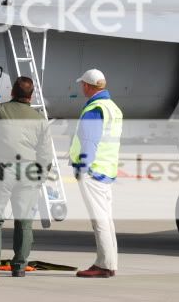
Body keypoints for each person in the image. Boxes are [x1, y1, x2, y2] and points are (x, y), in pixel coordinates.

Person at [0, 76, 53, 277]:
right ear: (31, 96)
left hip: (3, 169)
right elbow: (46, 154)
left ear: (12, 92)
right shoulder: (40, 119)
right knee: (24, 221)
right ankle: (20, 267)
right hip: (29, 173)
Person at [69, 69, 123, 278]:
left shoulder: (94, 108)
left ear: (88, 86)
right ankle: (108, 262)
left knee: (99, 220)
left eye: (82, 84)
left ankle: (104, 266)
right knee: (106, 219)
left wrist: (82, 169)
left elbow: (89, 142)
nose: (81, 87)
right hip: (106, 170)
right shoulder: (113, 108)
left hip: (92, 171)